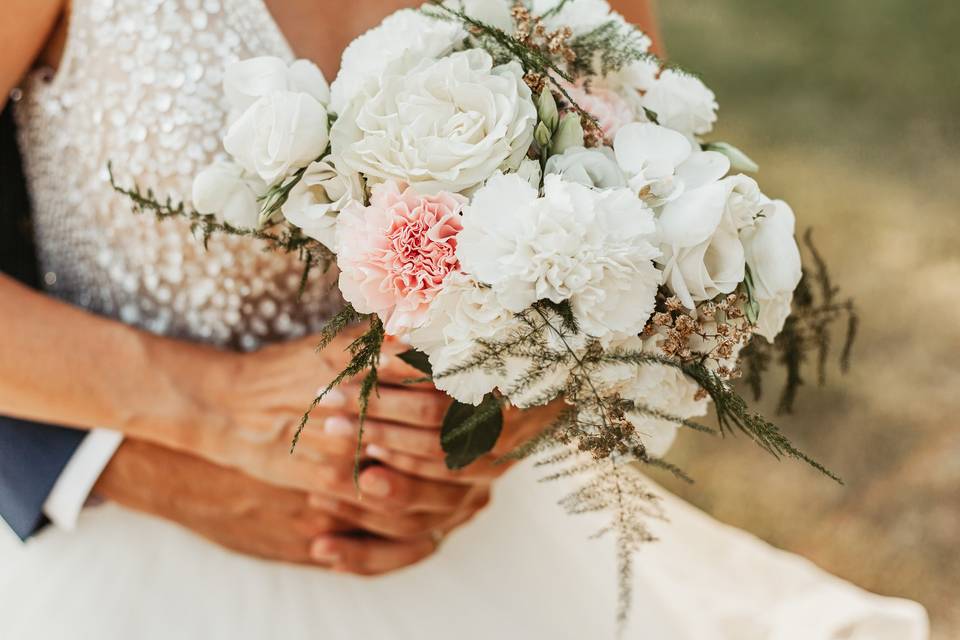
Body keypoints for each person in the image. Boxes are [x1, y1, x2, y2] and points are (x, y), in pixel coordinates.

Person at [0, 1, 929, 638]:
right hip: (113, 554)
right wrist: (208, 405)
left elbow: (650, 215)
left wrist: (529, 400)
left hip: (475, 544)